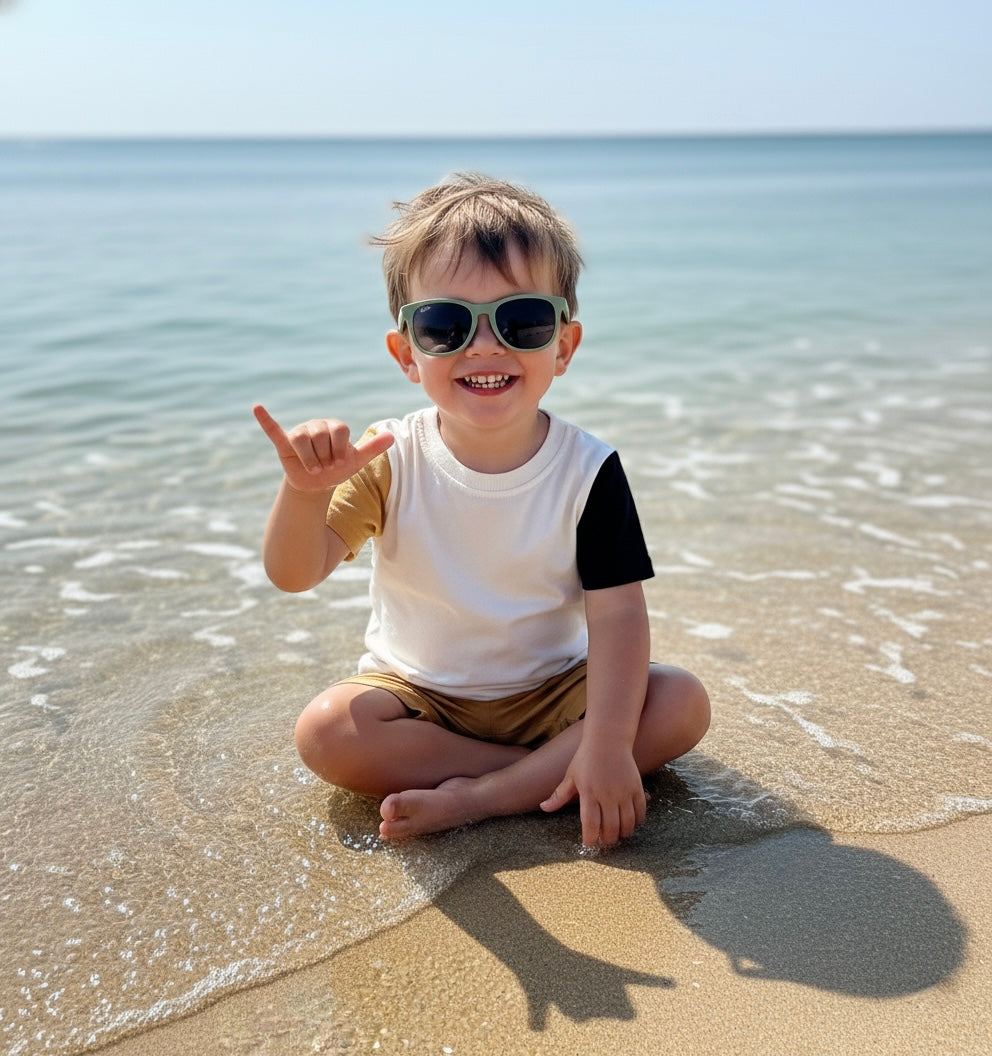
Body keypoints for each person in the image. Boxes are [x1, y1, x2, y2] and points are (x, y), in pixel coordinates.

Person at [254, 172, 710, 848]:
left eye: (522, 320)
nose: (485, 346)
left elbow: (617, 615)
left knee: (681, 703)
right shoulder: (389, 456)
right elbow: (295, 573)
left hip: (555, 693)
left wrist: (607, 741)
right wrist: (304, 490)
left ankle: (489, 795)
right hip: (421, 702)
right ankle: (546, 778)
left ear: (564, 344)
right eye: (446, 324)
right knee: (326, 733)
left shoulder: (589, 471)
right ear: (407, 352)